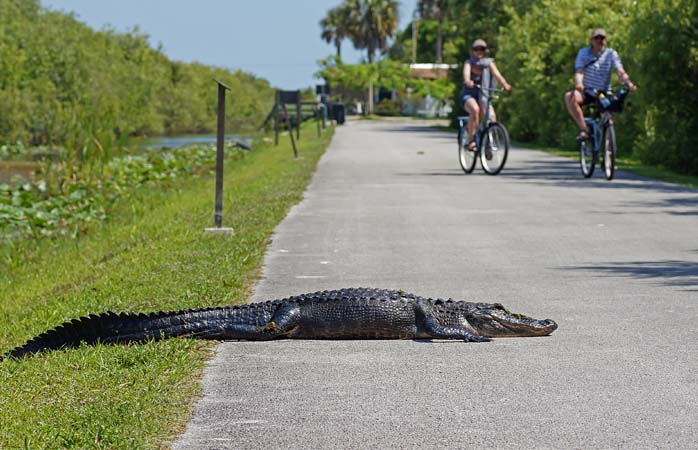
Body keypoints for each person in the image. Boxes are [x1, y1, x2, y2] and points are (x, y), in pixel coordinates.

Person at [564, 28, 637, 140]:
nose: (599, 40)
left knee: (607, 117)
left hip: (602, 93)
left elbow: (620, 71)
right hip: (587, 90)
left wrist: (629, 83)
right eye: (596, 38)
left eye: (602, 38)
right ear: (592, 40)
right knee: (570, 96)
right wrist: (579, 84)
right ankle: (584, 129)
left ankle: (608, 146)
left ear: (606, 40)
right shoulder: (583, 53)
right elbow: (579, 71)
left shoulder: (611, 54)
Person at [461, 39, 511, 151]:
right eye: (476, 49)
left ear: (485, 51)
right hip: (469, 96)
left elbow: (497, 75)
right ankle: (472, 140)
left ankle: (488, 142)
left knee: (492, 118)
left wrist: (505, 84)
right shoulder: (469, 62)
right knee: (475, 110)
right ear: (472, 51)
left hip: (484, 96)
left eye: (482, 49)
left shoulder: (489, 63)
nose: (479, 51)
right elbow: (466, 74)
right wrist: (468, 81)